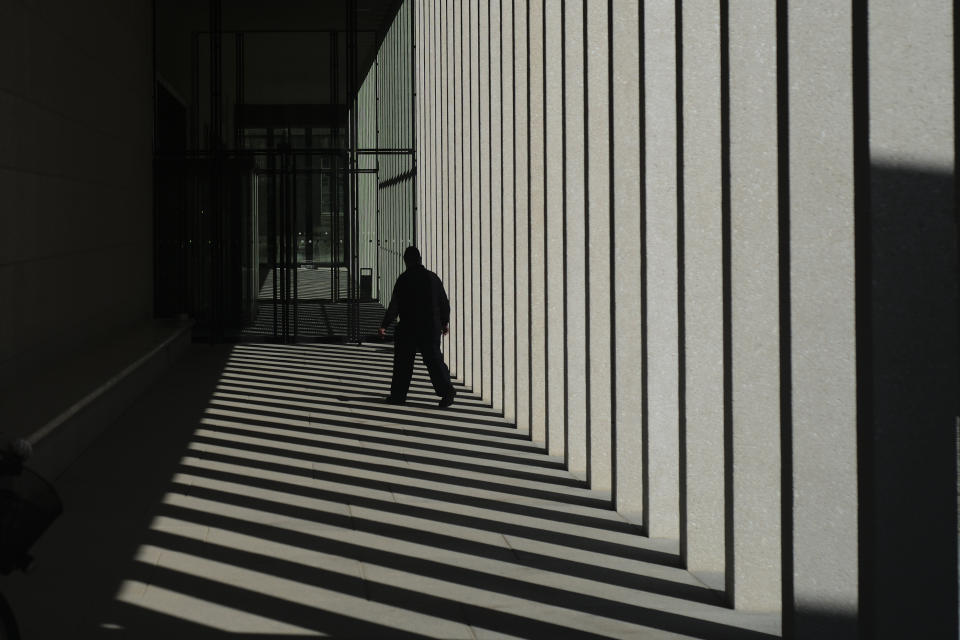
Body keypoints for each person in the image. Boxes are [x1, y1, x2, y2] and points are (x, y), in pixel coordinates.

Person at [378, 247, 456, 408]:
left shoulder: (404, 279)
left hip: (409, 327)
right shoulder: (433, 278)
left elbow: (395, 306)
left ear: (406, 261)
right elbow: (444, 302)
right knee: (434, 361)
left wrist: (385, 325)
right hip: (430, 326)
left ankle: (398, 396)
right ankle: (447, 391)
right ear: (420, 259)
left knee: (403, 364)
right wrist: (444, 322)